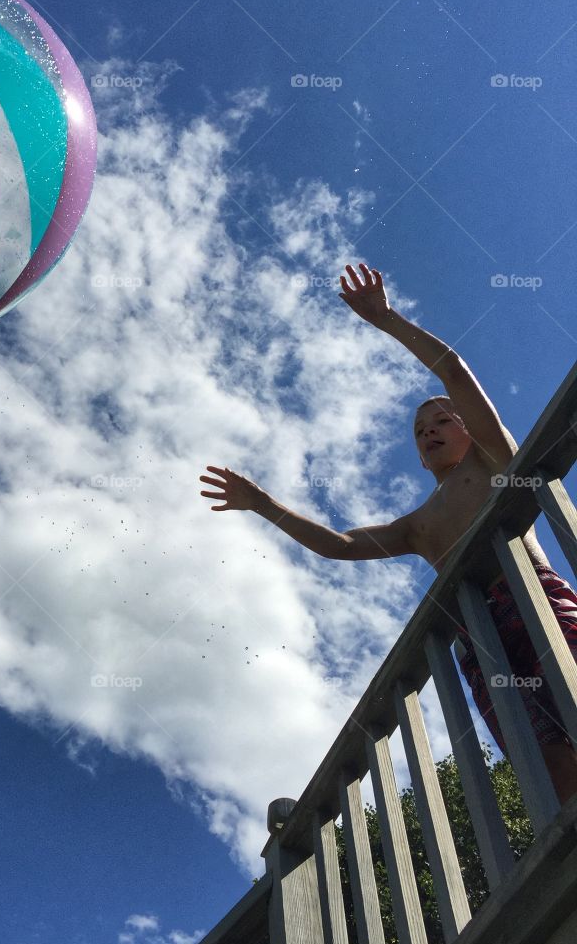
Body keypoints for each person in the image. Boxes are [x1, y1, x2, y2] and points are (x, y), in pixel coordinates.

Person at [200, 262, 577, 803]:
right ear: (421, 460)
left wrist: (388, 320)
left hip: (531, 597)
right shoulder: (418, 527)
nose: (429, 432)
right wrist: (262, 504)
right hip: (480, 641)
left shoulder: (496, 462)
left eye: (441, 421)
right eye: (420, 432)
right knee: (542, 755)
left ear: (470, 428)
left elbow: (453, 373)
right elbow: (340, 545)